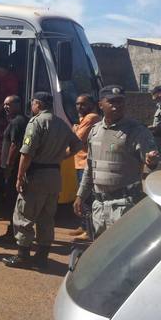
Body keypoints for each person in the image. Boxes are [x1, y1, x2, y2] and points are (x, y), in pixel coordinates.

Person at [3, 92, 82, 270]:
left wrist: (19, 175)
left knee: (24, 214)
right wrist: (60, 157)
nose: (31, 107)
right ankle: (42, 257)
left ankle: (23, 256)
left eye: (32, 104)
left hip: (36, 175)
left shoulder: (36, 122)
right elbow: (77, 145)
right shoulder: (61, 124)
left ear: (37, 104)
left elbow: (27, 152)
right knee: (47, 217)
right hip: (54, 175)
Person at [75, 85, 158, 238]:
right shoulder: (95, 131)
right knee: (102, 253)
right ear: (101, 105)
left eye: (120, 102)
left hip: (124, 206)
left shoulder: (137, 131)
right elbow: (90, 168)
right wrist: (80, 196)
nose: (117, 105)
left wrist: (150, 161)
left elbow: (152, 164)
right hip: (99, 207)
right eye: (112, 102)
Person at [0, 95, 28, 244]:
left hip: (13, 168)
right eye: (4, 104)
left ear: (18, 105)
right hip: (16, 167)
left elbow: (15, 145)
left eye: (9, 104)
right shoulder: (23, 120)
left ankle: (12, 233)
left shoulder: (16, 122)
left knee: (11, 201)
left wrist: (8, 166)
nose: (6, 107)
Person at [68, 95, 100, 242]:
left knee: (85, 198)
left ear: (92, 104)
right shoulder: (84, 119)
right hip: (79, 161)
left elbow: (77, 138)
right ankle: (83, 225)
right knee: (83, 196)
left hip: (85, 163)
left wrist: (74, 129)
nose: (79, 107)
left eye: (83, 104)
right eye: (77, 104)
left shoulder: (91, 117)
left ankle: (89, 229)